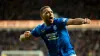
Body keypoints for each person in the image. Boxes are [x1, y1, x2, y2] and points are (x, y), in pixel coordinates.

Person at [20, 6, 90, 56]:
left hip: (68, 53)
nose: (50, 14)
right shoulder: (40, 29)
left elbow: (73, 21)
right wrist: (24, 36)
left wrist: (84, 21)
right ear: (42, 16)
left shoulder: (59, 22)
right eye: (47, 12)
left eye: (51, 12)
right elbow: (25, 37)